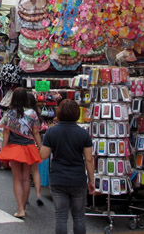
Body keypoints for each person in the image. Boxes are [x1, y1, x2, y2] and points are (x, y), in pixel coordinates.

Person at [40, 99, 94, 234]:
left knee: (61, 217)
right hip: (78, 179)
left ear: (59, 112)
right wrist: (91, 180)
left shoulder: (51, 132)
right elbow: (89, 159)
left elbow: (43, 155)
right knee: (79, 217)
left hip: (58, 179)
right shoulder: (83, 134)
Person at [0, 87, 42, 219]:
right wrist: (41, 147)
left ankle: (20, 209)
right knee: (26, 179)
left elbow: (5, 133)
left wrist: (3, 149)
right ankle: (24, 206)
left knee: (16, 179)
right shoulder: (32, 113)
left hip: (14, 148)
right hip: (29, 147)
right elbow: (36, 133)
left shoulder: (9, 114)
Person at [27, 92, 44, 206]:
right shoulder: (36, 113)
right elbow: (36, 132)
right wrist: (40, 146)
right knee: (35, 171)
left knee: (26, 173)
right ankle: (38, 194)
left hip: (25, 144)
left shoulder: (22, 113)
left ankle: (26, 197)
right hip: (35, 145)